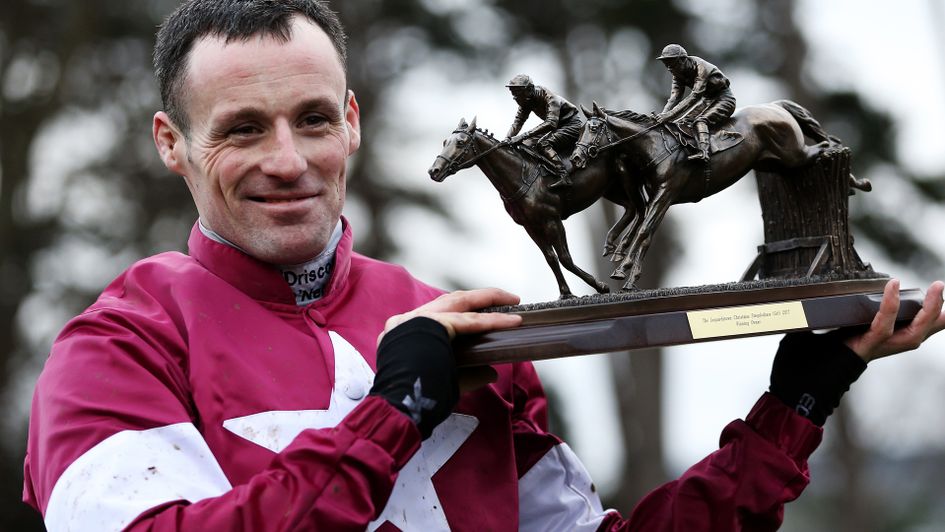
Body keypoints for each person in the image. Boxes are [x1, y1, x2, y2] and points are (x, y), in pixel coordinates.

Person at [21, 1, 945, 530]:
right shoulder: (116, 348)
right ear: (170, 144)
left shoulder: (457, 325)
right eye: (240, 130)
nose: (287, 161)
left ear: (350, 120)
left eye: (310, 119)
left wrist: (791, 412)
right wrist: (391, 419)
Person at [656, 43, 737, 162]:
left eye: (672, 64)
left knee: (700, 120)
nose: (669, 68)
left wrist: (669, 115)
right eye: (666, 64)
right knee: (681, 122)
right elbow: (674, 98)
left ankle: (704, 152)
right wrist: (663, 115)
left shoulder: (702, 68)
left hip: (724, 99)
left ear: (683, 60)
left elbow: (695, 95)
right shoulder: (677, 74)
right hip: (706, 100)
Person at [504, 74, 584, 189]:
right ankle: (539, 173)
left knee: (543, 144)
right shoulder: (526, 101)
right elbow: (518, 122)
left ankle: (563, 175)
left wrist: (522, 136)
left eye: (518, 93)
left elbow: (551, 123)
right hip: (557, 127)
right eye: (513, 94)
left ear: (529, 89)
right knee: (525, 145)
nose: (516, 98)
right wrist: (507, 139)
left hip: (571, 125)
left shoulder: (550, 97)